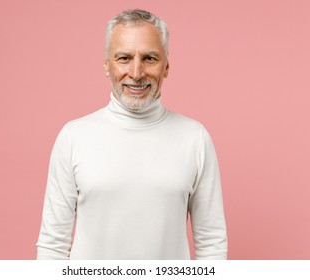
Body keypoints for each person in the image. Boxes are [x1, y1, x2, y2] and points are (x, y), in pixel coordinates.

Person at [36, 9, 227, 260]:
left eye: (149, 58)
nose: (136, 73)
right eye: (124, 58)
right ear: (106, 64)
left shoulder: (195, 138)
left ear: (166, 66)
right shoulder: (73, 137)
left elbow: (212, 243)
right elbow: (53, 245)